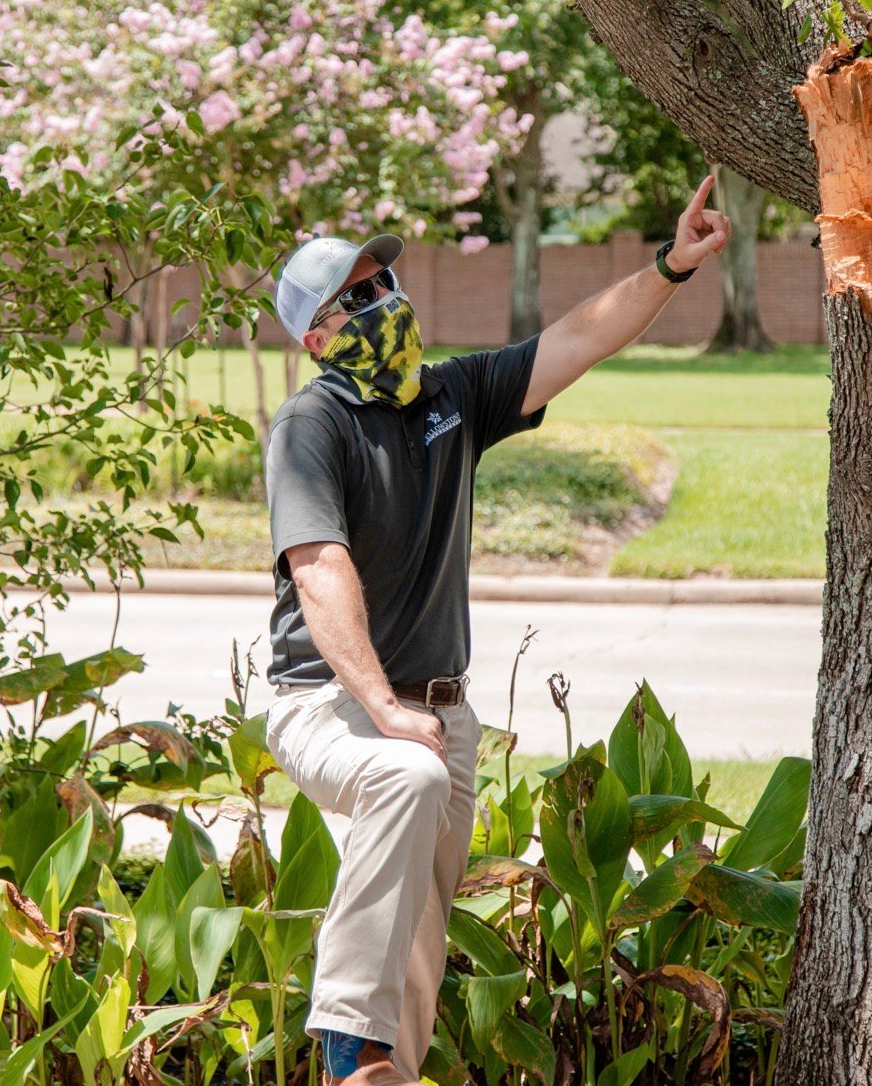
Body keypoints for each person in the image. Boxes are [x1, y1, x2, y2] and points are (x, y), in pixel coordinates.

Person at [263, 177, 730, 1086]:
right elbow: (320, 572)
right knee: (405, 775)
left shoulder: (452, 397)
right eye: (356, 298)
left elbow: (579, 336)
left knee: (422, 921)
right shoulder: (310, 427)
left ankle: (385, 1065)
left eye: (385, 286)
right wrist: (383, 712)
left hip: (441, 710)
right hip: (327, 702)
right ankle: (347, 1056)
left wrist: (671, 264)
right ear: (316, 337)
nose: (384, 304)